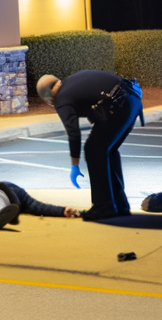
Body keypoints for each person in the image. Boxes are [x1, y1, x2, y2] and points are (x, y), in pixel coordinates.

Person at [36, 71, 144, 221]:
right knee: (108, 150)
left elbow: (73, 132)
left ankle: (103, 206)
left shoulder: (61, 98)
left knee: (94, 149)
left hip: (120, 102)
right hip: (132, 99)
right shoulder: (72, 85)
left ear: (48, 97)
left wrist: (74, 165)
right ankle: (120, 204)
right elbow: (95, 112)